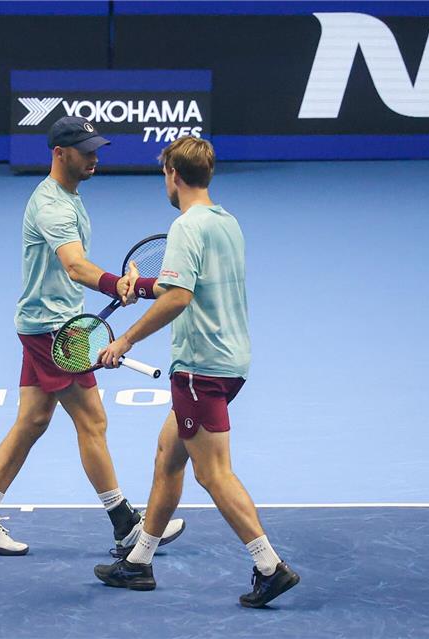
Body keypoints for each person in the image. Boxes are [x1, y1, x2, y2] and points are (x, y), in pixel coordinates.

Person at [0, 116, 185, 556]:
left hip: (50, 321)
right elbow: (76, 266)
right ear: (60, 154)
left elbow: (76, 267)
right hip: (53, 330)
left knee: (33, 420)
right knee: (93, 421)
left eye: (97, 149)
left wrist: (112, 284)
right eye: (87, 151)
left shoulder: (67, 196)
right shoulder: (54, 208)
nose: (95, 158)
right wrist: (118, 284)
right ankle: (125, 526)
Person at [92, 137, 300, 607]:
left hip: (199, 370)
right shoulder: (227, 223)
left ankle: (270, 567)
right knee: (169, 453)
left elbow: (180, 297)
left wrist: (125, 340)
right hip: (230, 362)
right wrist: (137, 286)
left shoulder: (185, 226)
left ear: (174, 176)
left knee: (213, 473)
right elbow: (176, 284)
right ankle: (140, 562)